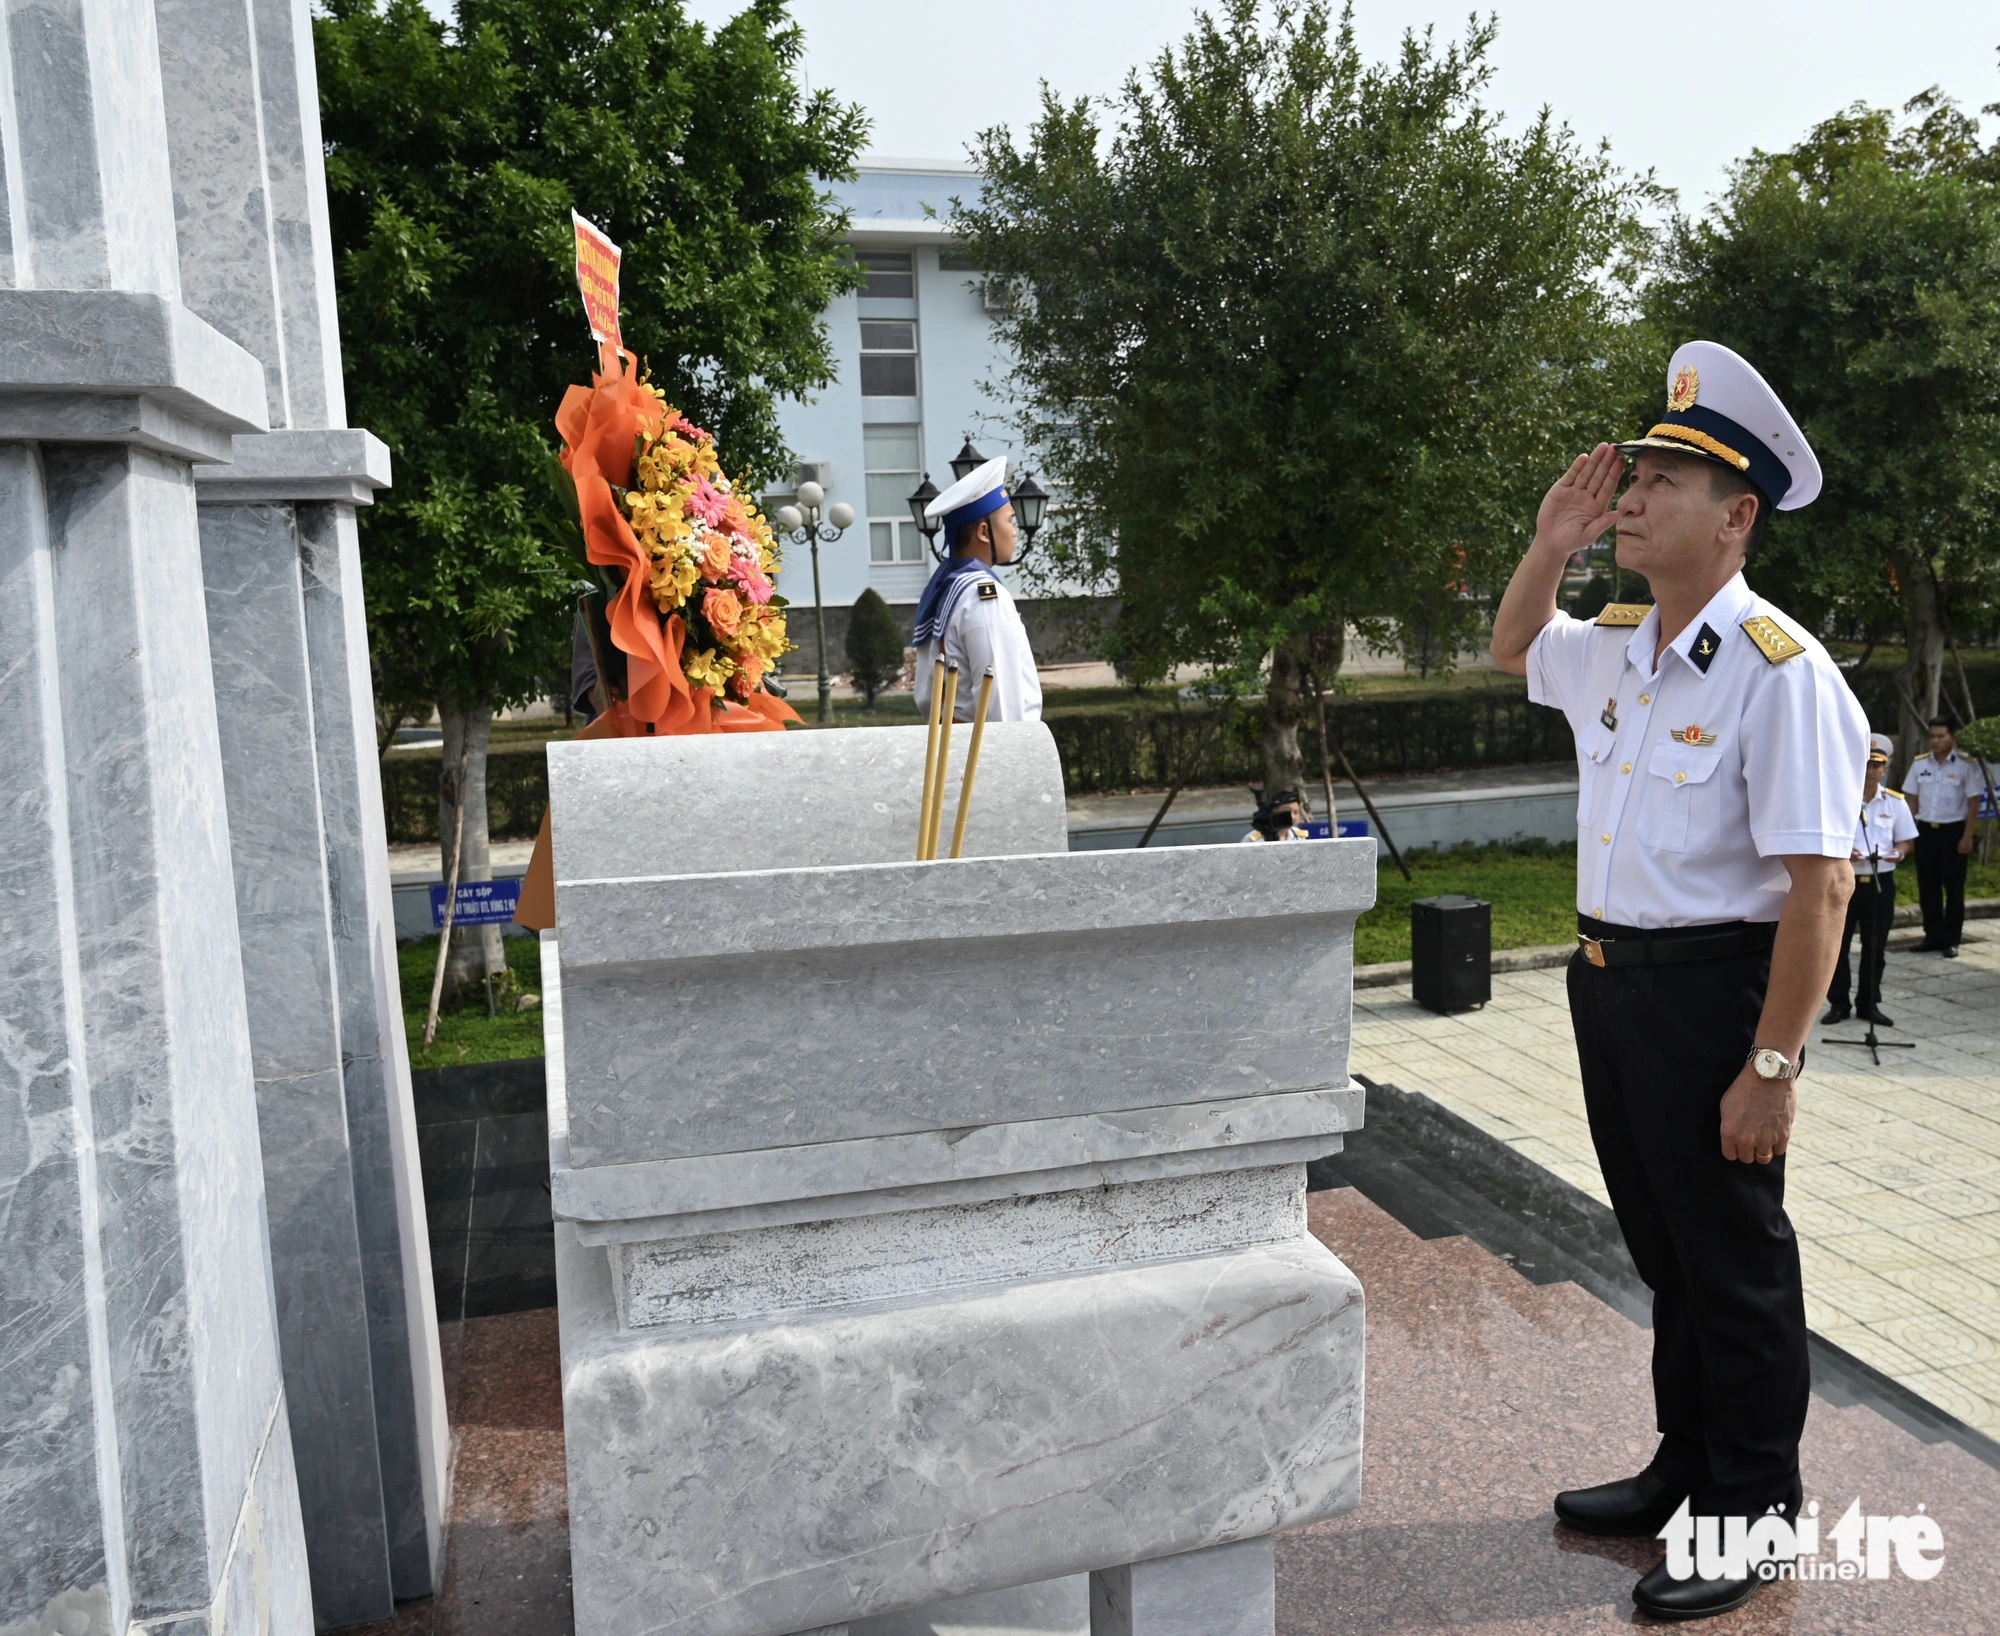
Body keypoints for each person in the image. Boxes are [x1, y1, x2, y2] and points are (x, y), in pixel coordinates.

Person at [1490, 340, 1867, 1621]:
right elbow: (1509, 649)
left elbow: (1820, 887)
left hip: (1716, 994)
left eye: (1662, 478)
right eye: (1634, 472)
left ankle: (1754, 1508)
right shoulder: (1611, 641)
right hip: (1610, 985)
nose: (1632, 494)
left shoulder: (1781, 671)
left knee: (1735, 1260)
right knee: (1667, 1251)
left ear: (1737, 514)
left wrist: (1772, 1067)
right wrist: (1549, 541)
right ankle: (1686, 1468)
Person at [912, 457, 1042, 724]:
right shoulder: (984, 596)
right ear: (984, 532)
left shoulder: (947, 586)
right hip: (983, 755)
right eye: (1010, 521)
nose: (1015, 532)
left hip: (955, 746)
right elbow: (999, 702)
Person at [1823, 734, 1915, 1027]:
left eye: (1877, 765)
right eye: (1866, 765)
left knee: (1875, 946)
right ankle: (1838, 1004)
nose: (1870, 771)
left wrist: (1898, 854)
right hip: (1845, 881)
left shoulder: (1895, 803)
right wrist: (1843, 851)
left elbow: (1906, 841)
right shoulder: (1840, 801)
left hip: (1879, 881)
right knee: (1838, 946)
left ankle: (1868, 1004)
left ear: (1885, 769)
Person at [1907, 716, 1979, 958]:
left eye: (1941, 736)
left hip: (1953, 832)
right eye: (1932, 736)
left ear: (1952, 738)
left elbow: (1973, 802)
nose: (1935, 741)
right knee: (1928, 886)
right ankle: (1932, 936)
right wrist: (1910, 833)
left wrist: (1968, 836)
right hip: (1926, 831)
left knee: (1954, 889)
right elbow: (1912, 799)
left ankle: (1951, 939)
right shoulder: (1919, 764)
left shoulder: (1965, 765)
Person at [1243, 787, 1310, 842]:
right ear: (1275, 811)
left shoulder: (1300, 836)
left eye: (1296, 812)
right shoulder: (1253, 839)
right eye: (1287, 811)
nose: (1292, 817)